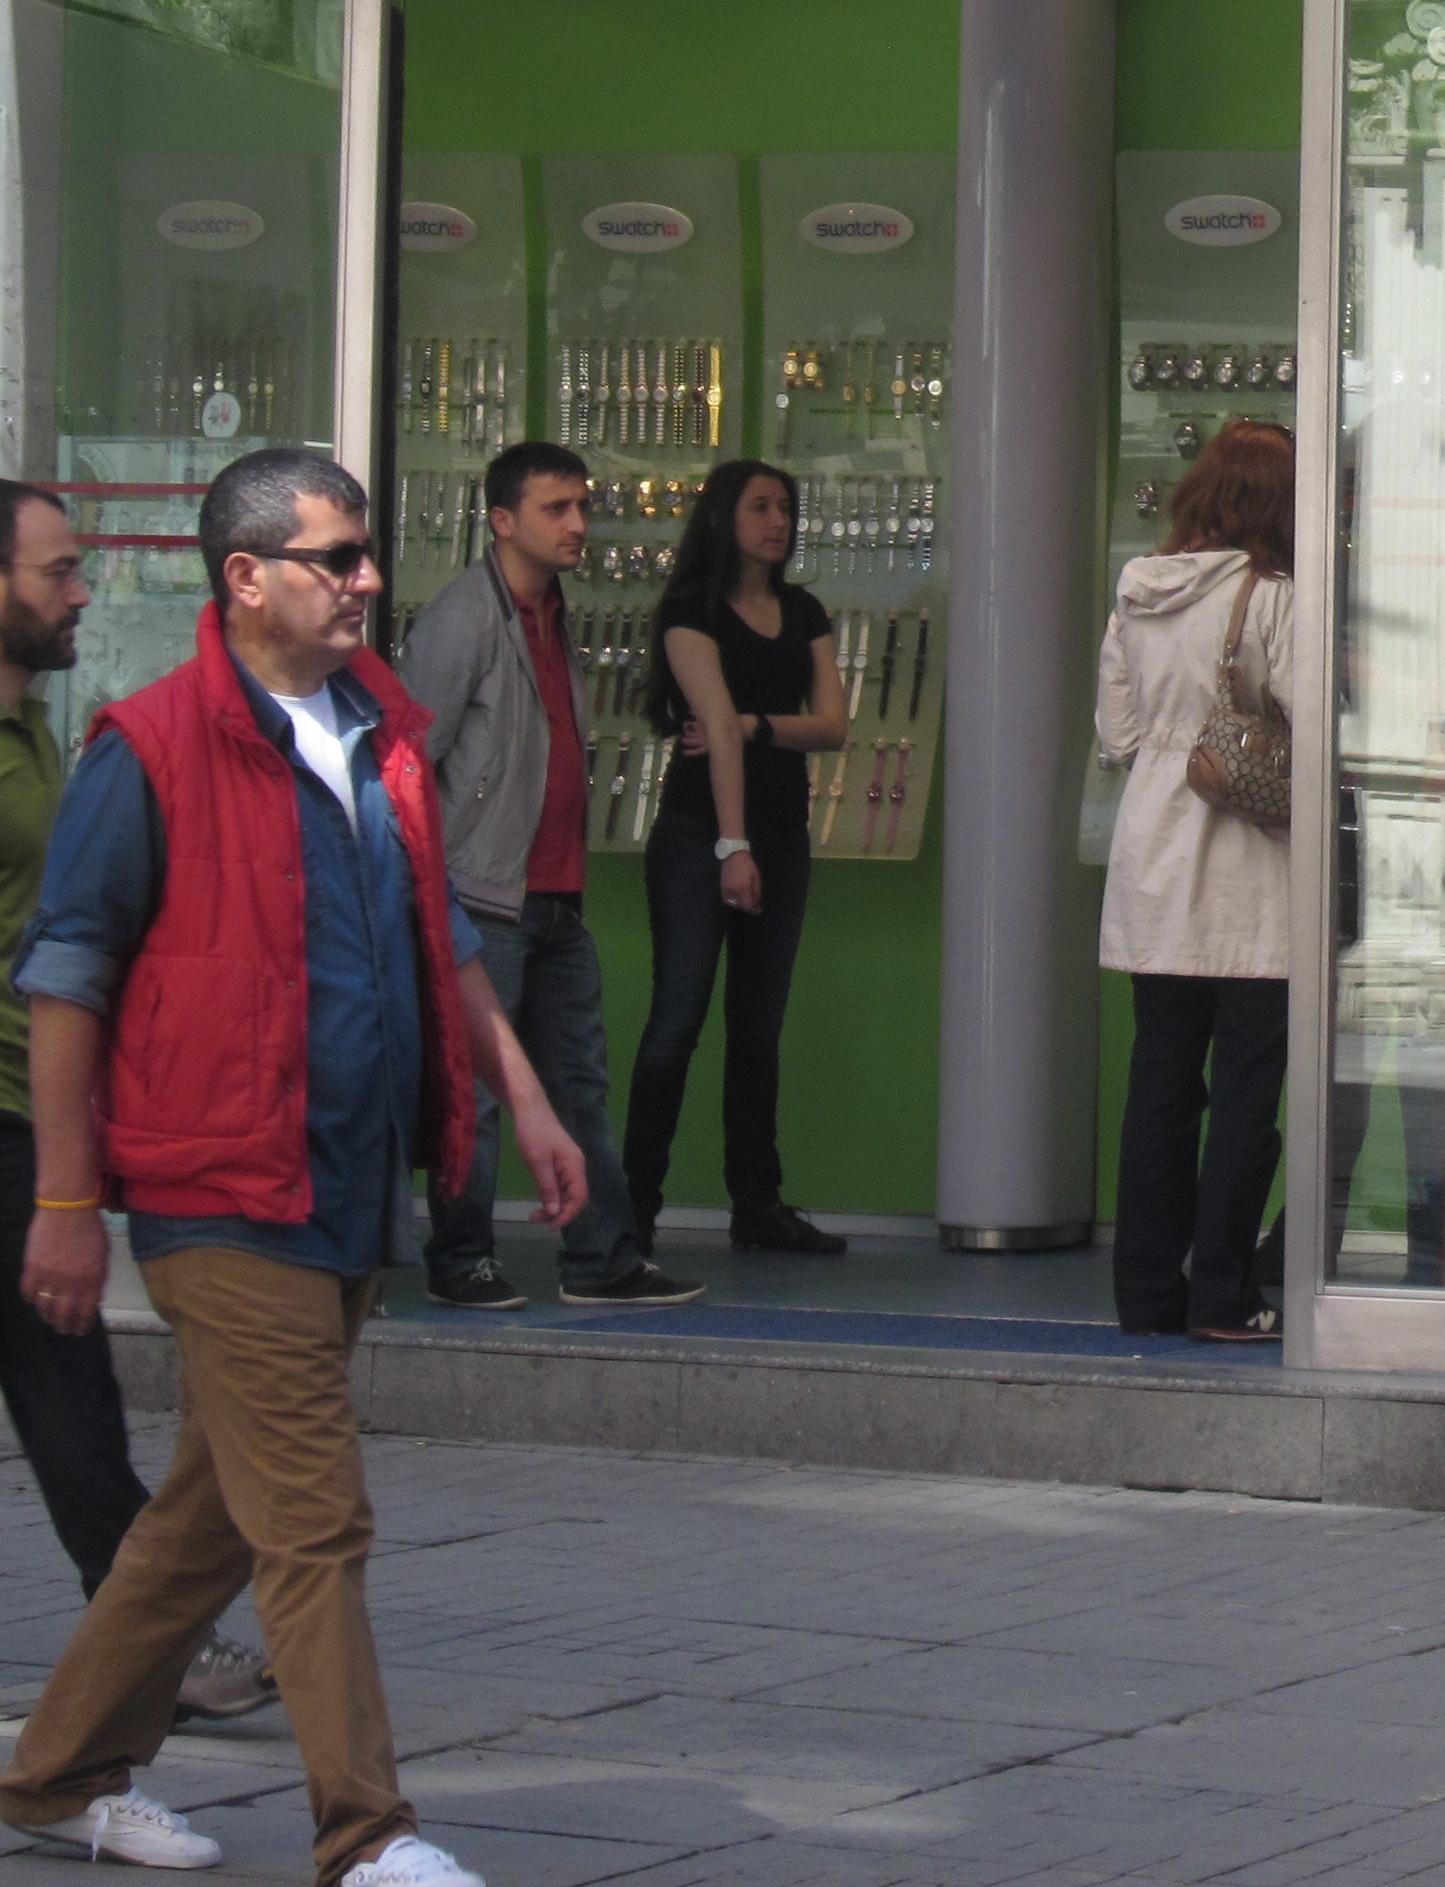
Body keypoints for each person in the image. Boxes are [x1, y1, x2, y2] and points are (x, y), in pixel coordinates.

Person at [2, 447, 588, 1886]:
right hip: (217, 1195)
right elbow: (65, 986)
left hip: (343, 1185)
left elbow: (439, 929)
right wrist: (69, 1203)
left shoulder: (377, 718)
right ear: (246, 575)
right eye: (337, 557)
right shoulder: (146, 746)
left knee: (207, 1516)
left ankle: (56, 1775)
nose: (367, 580)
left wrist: (527, 1096)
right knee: (316, 1515)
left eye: (367, 551)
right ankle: (368, 1835)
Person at [0, 481, 274, 1723]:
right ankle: (149, 1646)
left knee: (66, 1388)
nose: (80, 592)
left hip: (31, 1105)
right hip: (6, 1113)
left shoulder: (45, 732)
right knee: (66, 1384)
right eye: (57, 571)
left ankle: (148, 1641)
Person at [399, 443, 701, 1311]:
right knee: (478, 1090)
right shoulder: (464, 619)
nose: (578, 523)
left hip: (554, 894)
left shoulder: (551, 610)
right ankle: (460, 1260)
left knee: (575, 1081)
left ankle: (601, 1259)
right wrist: (436, 887)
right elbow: (409, 765)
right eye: (556, 509)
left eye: (582, 505)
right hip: (479, 892)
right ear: (502, 521)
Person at [1096, 420, 1296, 1342]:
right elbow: (1311, 723)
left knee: (1162, 1087)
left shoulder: (1138, 594)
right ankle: (1223, 1292)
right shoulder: (1271, 598)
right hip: (1250, 870)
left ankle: (1145, 1293)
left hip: (1153, 864)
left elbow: (1118, 740)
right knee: (1248, 1093)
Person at [623, 460, 847, 1258]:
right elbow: (710, 726)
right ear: (725, 517)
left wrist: (757, 726)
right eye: (760, 506)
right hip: (700, 838)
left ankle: (758, 1204)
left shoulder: (804, 609)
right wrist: (732, 846)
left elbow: (832, 726)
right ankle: (634, 1210)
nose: (777, 521)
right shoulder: (691, 611)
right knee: (675, 1025)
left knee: (758, 1031)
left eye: (786, 506)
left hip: (782, 837)